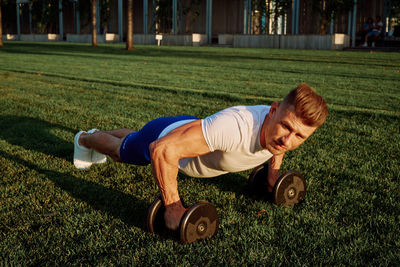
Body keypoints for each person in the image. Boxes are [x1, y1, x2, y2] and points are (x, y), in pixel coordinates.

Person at [73, 83, 328, 230]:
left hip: (194, 130)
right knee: (125, 152)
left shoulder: (279, 128)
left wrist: (272, 176)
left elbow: (279, 146)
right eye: (286, 127)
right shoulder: (235, 129)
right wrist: (173, 208)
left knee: (136, 137)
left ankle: (123, 135)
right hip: (165, 135)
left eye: (299, 136)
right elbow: (162, 150)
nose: (288, 140)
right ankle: (85, 138)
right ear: (273, 111)